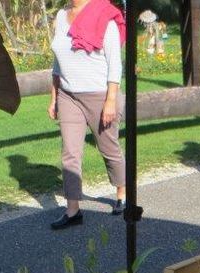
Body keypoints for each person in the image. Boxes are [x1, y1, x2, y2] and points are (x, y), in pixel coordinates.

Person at [48, 0, 127, 230]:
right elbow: (57, 61)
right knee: (70, 153)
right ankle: (73, 211)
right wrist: (54, 96)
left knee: (108, 148)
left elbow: (115, 64)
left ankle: (122, 194)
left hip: (100, 95)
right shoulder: (61, 16)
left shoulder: (104, 15)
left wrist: (110, 100)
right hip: (68, 95)